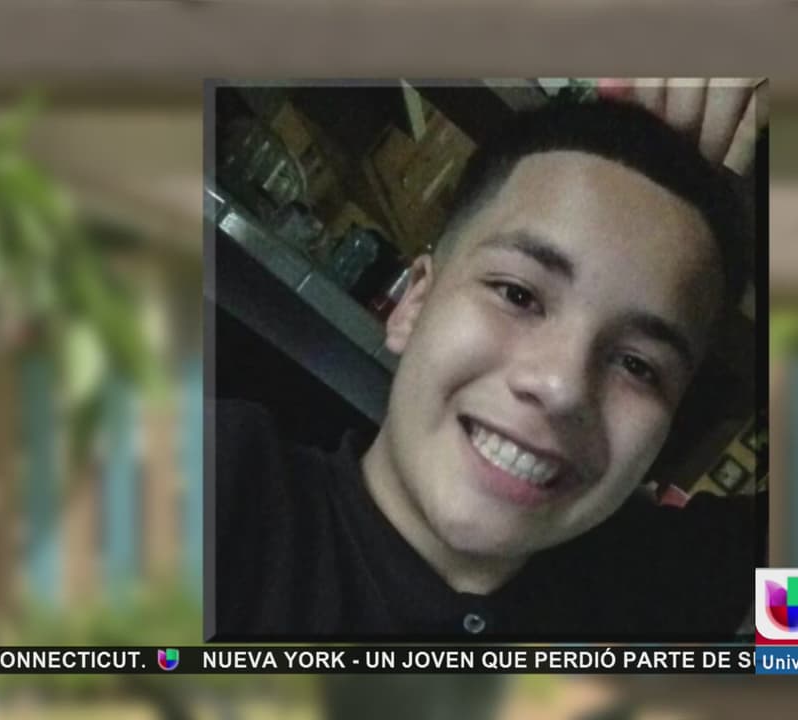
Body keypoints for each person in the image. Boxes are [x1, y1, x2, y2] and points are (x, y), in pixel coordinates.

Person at [213, 80, 764, 639]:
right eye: (518, 295)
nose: (561, 385)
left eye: (638, 365)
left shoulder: (653, 594)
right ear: (413, 302)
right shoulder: (217, 493)